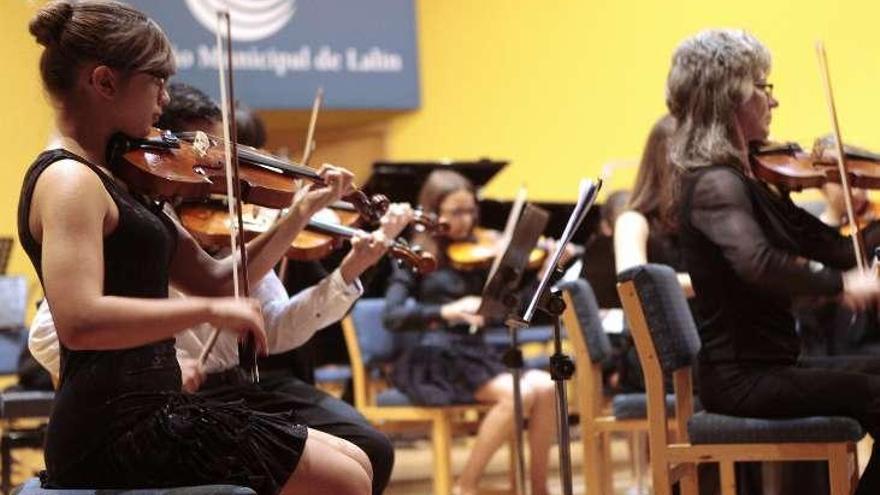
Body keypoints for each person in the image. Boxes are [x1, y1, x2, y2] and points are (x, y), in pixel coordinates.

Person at [20, 1, 370, 493]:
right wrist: (207, 310)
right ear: (104, 82)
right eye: (156, 80)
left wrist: (296, 215)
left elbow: (218, 278)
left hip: (156, 408)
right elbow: (79, 322)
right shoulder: (69, 181)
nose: (164, 99)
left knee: (355, 459)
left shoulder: (123, 180)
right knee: (344, 480)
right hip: (113, 430)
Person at [669, 28, 880, 494]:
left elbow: (842, 248)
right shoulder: (713, 184)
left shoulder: (752, 183)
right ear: (729, 98)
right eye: (764, 88)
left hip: (776, 366)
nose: (774, 102)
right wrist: (843, 286)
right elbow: (758, 263)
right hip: (743, 378)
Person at [382, 170, 556, 495]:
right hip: (435, 355)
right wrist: (444, 311)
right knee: (517, 394)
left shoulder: (480, 251)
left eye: (470, 211)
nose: (466, 220)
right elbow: (392, 317)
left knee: (546, 387)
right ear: (433, 214)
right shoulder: (414, 255)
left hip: (474, 352)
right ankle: (465, 486)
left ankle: (538, 488)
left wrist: (540, 275)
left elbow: (510, 309)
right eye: (456, 212)